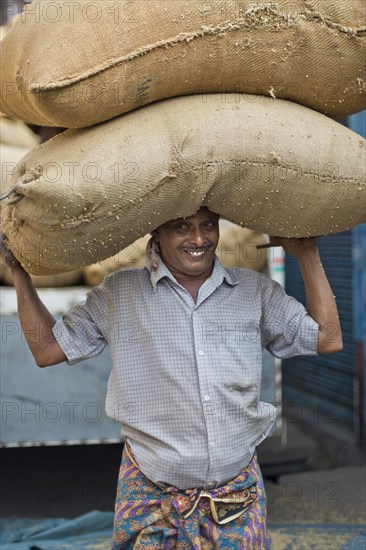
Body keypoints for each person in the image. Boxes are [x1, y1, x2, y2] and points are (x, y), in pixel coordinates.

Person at [0, 207, 342, 548]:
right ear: (156, 235)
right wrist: (18, 272)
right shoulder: (120, 293)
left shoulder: (254, 291)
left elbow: (328, 338)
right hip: (152, 502)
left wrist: (307, 253)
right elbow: (47, 350)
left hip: (237, 500)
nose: (199, 238)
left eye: (208, 225)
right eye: (181, 227)